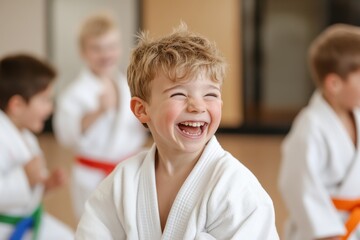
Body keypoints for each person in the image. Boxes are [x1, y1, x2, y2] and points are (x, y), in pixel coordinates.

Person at [75, 24, 279, 239]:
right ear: (142, 109)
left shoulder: (236, 187)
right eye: (179, 94)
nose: (197, 106)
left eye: (210, 94)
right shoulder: (123, 181)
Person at [52, 12, 148, 219]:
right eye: (96, 48)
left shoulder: (126, 84)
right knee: (96, 225)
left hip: (129, 166)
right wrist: (98, 112)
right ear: (83, 52)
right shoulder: (74, 93)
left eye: (111, 47)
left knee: (132, 222)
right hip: (93, 174)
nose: (106, 54)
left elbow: (136, 125)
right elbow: (66, 136)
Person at [278, 24, 360, 240]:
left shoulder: (357, 115)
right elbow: (299, 187)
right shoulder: (310, 127)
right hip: (321, 232)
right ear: (334, 83)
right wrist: (328, 233)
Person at [0, 54, 74, 239]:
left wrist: (45, 185)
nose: (50, 108)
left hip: (27, 219)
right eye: (44, 100)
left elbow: (29, 191)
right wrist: (24, 177)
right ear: (17, 105)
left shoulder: (26, 136)